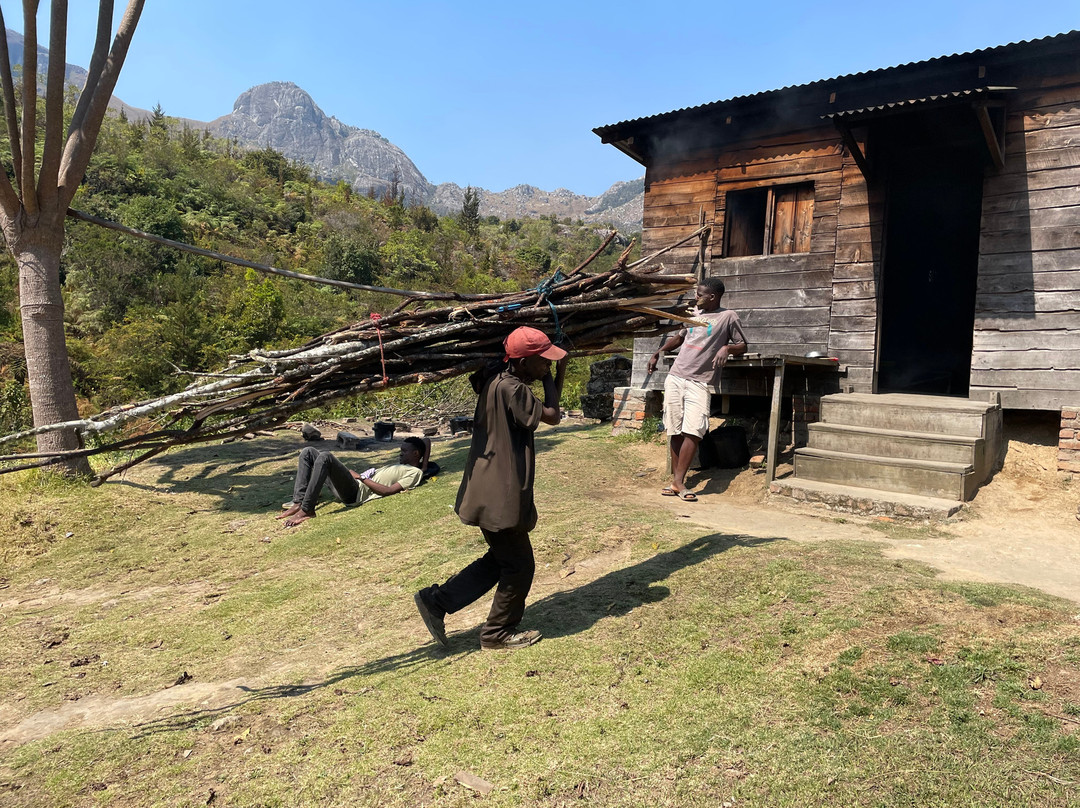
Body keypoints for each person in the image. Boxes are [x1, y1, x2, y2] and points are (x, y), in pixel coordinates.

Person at [414, 326, 566, 652]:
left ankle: (437, 601)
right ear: (522, 362)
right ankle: (496, 633)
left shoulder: (495, 379)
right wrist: (553, 378)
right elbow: (552, 415)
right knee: (519, 565)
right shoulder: (513, 389)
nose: (548, 364)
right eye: (543, 360)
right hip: (501, 492)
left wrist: (549, 373)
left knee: (501, 559)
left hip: (487, 486)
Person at [646, 277, 747, 502]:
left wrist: (727, 348)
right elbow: (679, 338)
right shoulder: (693, 314)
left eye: (699, 294)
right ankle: (677, 482)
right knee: (674, 429)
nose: (696, 297)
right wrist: (658, 352)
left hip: (700, 381)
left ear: (712, 296)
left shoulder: (728, 317)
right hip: (676, 376)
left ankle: (677, 482)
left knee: (694, 431)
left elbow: (742, 345)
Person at [276, 436, 433, 527]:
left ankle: (307, 510)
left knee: (325, 457)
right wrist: (424, 463)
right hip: (350, 485)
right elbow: (426, 440)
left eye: (404, 451)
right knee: (308, 452)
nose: (400, 454)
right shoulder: (407, 466)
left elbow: (388, 491)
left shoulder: (414, 472)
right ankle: (299, 501)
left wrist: (360, 478)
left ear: (416, 453)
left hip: (355, 492)